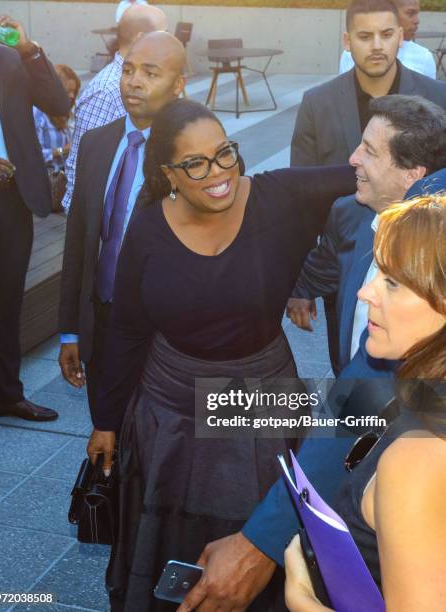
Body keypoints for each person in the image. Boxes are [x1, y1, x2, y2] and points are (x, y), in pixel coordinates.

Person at [178, 94, 446, 612]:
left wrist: (271, 558)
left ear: (413, 175)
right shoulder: (353, 216)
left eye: (368, 151)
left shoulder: (418, 462)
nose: (351, 159)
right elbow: (321, 269)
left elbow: (358, 404)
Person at [86, 97, 355, 611]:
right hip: (170, 410)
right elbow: (125, 333)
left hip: (263, 395)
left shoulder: (279, 196)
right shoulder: (146, 229)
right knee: (173, 545)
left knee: (258, 529)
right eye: (196, 163)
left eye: (225, 153)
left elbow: (366, 174)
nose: (218, 173)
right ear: (169, 173)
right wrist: (106, 420)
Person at [285, 195, 446, 611]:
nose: (363, 292)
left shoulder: (418, 459)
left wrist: (302, 600)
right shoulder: (421, 401)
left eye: (392, 281)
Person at [289, 0, 446, 374]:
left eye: (386, 34)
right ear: (347, 40)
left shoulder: (438, 97)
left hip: (422, 264)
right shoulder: (318, 103)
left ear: (402, 37)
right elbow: (300, 197)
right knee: (348, 367)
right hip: (340, 259)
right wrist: (299, 285)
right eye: (364, 35)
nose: (376, 45)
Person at [58, 32, 186, 423]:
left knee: (154, 445)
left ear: (179, 85)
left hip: (162, 334)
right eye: (128, 70)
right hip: (101, 322)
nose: (134, 81)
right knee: (105, 432)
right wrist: (70, 331)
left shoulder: (192, 152)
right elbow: (78, 242)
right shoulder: (97, 143)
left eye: (150, 72)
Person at [0, 15, 70, 422]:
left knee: (6, 303)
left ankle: (6, 395)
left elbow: (59, 104)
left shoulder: (7, 59)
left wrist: (28, 50)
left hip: (13, 200)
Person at [62, 3, 167, 211]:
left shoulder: (141, 81)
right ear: (140, 38)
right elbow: (82, 163)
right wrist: (84, 228)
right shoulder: (107, 90)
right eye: (163, 34)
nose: (169, 41)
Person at [339, 0, 437, 79]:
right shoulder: (349, 55)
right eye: (410, 13)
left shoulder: (424, 57)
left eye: (387, 35)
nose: (417, 21)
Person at [33, 64, 80, 172]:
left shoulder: (64, 113)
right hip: (44, 178)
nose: (72, 96)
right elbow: (34, 155)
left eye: (74, 91)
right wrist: (62, 150)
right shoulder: (38, 112)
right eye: (68, 91)